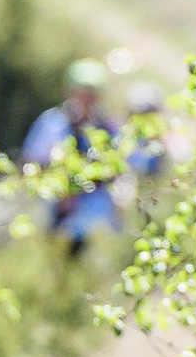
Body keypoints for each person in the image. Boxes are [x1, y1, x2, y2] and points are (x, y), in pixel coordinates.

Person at [21, 57, 127, 248]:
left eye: (91, 94)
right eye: (82, 93)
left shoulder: (109, 129)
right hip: (55, 207)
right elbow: (30, 164)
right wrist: (58, 190)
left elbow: (119, 171)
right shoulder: (52, 125)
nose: (86, 100)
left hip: (96, 211)